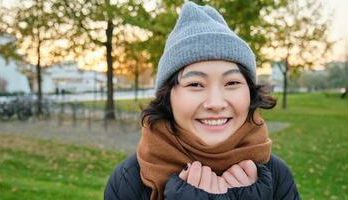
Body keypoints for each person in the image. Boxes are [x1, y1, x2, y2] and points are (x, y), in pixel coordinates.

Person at [105, 2, 300, 199]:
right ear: (168, 96)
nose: (216, 103)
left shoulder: (275, 177)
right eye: (195, 84)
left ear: (249, 92)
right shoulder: (128, 181)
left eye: (232, 82)